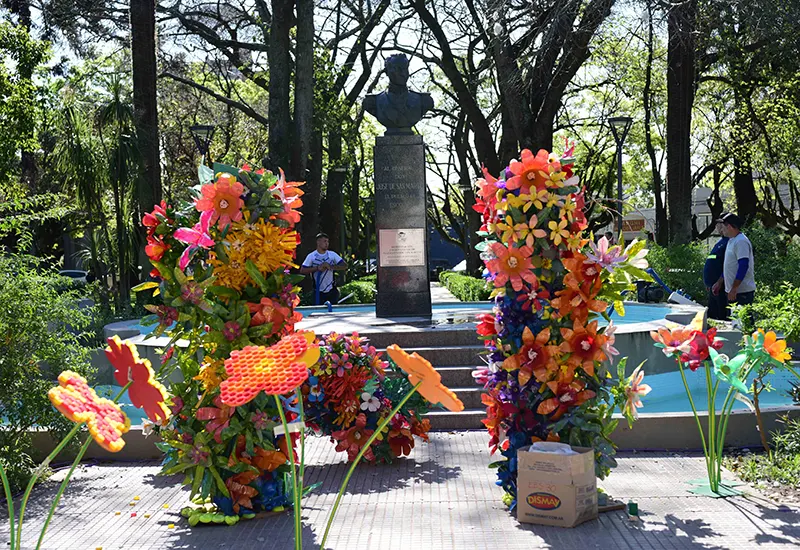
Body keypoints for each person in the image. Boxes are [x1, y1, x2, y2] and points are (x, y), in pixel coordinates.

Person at [712, 212, 755, 318]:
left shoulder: (741, 242)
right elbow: (730, 266)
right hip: (732, 291)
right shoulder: (732, 240)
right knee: (734, 322)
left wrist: (735, 288)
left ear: (730, 226)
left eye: (724, 227)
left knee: (743, 322)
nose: (722, 229)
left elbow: (743, 266)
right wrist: (720, 281)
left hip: (741, 292)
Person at [299, 233, 347, 305]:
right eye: (324, 241)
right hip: (318, 291)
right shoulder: (312, 256)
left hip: (332, 290)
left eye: (327, 241)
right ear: (318, 242)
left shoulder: (332, 255)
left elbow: (344, 265)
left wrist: (330, 267)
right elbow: (302, 270)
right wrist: (317, 268)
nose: (327, 244)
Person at [703, 220, 729, 320]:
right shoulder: (720, 242)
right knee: (712, 315)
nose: (718, 229)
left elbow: (728, 265)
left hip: (720, 285)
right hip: (712, 285)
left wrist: (719, 281)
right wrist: (708, 281)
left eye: (720, 227)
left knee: (721, 314)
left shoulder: (729, 243)